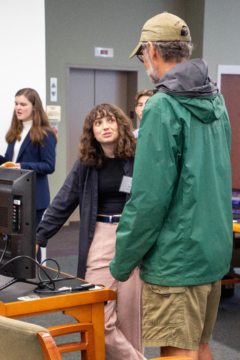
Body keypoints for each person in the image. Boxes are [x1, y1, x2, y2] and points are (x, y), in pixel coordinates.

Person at [110, 12, 232, 360]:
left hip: (177, 257)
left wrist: (122, 261)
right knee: (200, 346)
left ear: (150, 50)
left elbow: (149, 198)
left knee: (178, 352)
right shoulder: (216, 99)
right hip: (212, 250)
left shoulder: (162, 106)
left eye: (141, 54)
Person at [36, 103, 145, 360]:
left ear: (120, 125)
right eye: (98, 123)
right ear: (91, 132)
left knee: (130, 319)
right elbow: (63, 202)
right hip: (101, 236)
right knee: (98, 315)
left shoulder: (139, 158)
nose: (105, 127)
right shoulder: (86, 164)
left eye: (110, 121)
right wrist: (39, 237)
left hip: (134, 238)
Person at [0, 88, 57, 261]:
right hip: (13, 193)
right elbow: (9, 163)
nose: (18, 107)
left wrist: (21, 166)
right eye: (16, 103)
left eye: (23, 104)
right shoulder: (14, 133)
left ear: (34, 107)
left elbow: (49, 166)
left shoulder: (45, 133)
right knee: (12, 240)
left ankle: (34, 279)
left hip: (34, 197)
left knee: (31, 242)